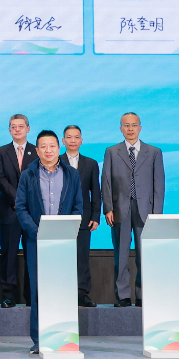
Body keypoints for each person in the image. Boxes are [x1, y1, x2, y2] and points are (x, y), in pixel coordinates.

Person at [14, 130, 83, 354]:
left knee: (63, 288)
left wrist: (65, 231)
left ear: (59, 148)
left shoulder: (72, 174)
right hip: (36, 241)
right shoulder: (28, 174)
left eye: (52, 146)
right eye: (43, 146)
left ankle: (65, 337)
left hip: (63, 242)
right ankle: (39, 339)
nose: (48, 150)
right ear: (37, 150)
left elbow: (78, 207)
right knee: (38, 290)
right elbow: (21, 207)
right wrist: (38, 232)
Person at [101, 112, 165, 307]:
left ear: (140, 128)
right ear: (121, 128)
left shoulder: (153, 152)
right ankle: (123, 296)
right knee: (121, 254)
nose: (130, 129)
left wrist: (157, 214)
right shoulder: (112, 151)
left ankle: (143, 294)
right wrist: (108, 208)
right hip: (119, 208)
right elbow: (106, 182)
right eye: (126, 125)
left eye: (134, 125)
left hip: (146, 209)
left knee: (144, 254)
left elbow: (159, 185)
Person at [0, 114, 37, 308]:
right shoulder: (0, 152)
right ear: (9, 130)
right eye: (13, 126)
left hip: (32, 212)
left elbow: (38, 179)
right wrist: (18, 200)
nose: (17, 129)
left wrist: (24, 202)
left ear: (28, 128)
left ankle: (31, 295)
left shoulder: (37, 151)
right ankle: (8, 295)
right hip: (9, 211)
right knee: (8, 255)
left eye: (21, 126)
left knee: (32, 255)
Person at [62, 125, 102, 308]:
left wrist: (96, 215)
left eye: (76, 137)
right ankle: (63, 292)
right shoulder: (56, 161)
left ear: (81, 140)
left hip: (84, 217)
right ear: (63, 141)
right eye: (69, 137)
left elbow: (96, 192)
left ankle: (82, 293)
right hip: (61, 216)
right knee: (63, 255)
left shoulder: (91, 163)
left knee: (82, 257)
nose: (73, 140)